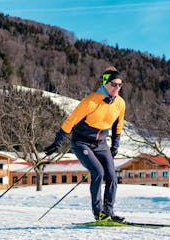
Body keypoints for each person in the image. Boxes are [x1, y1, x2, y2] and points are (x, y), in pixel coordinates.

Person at [44, 67, 126, 222]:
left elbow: (118, 126)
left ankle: (110, 212)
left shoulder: (120, 103)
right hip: (81, 142)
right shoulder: (91, 101)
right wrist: (57, 142)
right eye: (114, 84)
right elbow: (71, 121)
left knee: (112, 176)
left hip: (101, 143)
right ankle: (99, 213)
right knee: (98, 172)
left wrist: (115, 145)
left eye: (120, 85)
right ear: (105, 83)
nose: (117, 88)